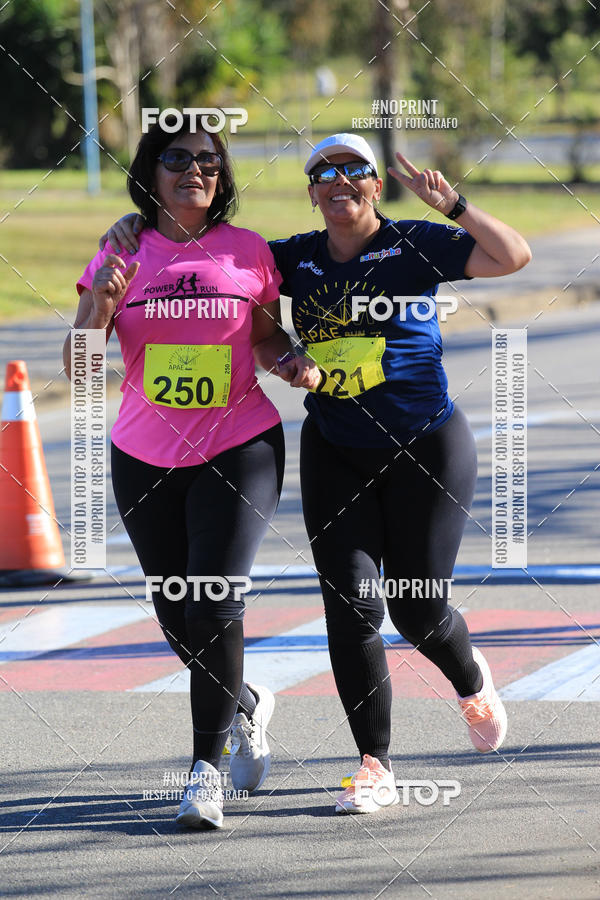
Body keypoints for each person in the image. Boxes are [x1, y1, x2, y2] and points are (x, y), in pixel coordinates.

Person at [99, 132, 532, 815]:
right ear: (311, 192)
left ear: (373, 185)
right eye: (324, 174)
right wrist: (131, 232)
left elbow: (513, 256)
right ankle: (374, 765)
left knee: (418, 608)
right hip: (335, 448)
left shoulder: (413, 242)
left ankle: (471, 678)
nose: (341, 182)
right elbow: (226, 286)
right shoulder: (293, 256)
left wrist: (457, 205)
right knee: (352, 608)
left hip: (425, 446)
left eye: (355, 171)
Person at [63, 121, 314, 830]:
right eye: (178, 159)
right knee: (177, 613)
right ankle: (245, 702)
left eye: (209, 160)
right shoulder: (121, 249)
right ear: (152, 170)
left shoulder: (248, 252)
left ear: (223, 176)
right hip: (143, 455)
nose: (195, 170)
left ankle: (204, 773)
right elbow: (81, 366)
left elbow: (266, 338)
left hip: (240, 445)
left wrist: (288, 362)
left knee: (211, 602)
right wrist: (101, 303)